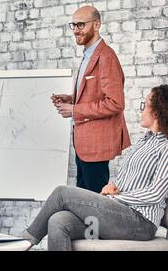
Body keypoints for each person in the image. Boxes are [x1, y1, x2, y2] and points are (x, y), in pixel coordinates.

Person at [22, 85, 168, 251]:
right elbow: (128, 177)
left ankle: (24, 242)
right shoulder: (144, 141)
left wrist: (118, 198)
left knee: (62, 193)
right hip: (121, 214)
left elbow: (156, 193)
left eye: (145, 105)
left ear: (157, 110)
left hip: (140, 223)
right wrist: (113, 186)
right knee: (58, 220)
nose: (141, 110)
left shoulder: (165, 147)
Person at [51, 6, 130, 193]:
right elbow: (95, 93)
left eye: (81, 24)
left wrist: (74, 110)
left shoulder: (106, 57)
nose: (76, 30)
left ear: (97, 25)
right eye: (74, 25)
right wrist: (72, 99)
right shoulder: (88, 55)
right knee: (84, 200)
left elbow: (115, 102)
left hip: (96, 145)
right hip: (83, 143)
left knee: (94, 203)